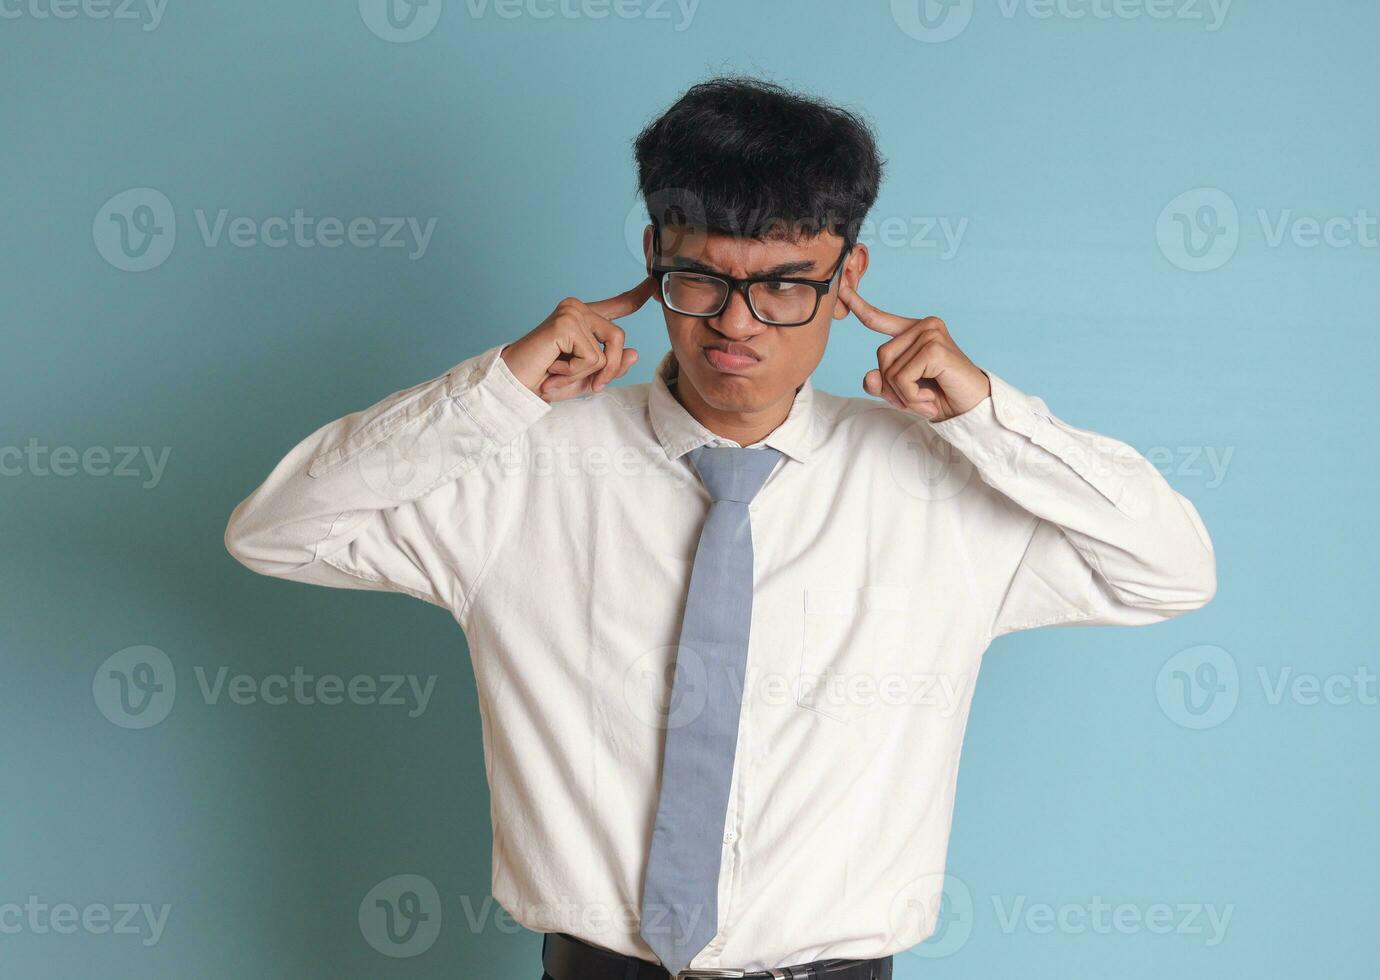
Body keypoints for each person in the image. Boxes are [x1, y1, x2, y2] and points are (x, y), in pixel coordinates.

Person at [225, 76, 1216, 980]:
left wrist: (988, 416)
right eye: (702, 278)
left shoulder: (939, 488)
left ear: (849, 275)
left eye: (787, 284)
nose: (738, 324)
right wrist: (498, 391)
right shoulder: (514, 466)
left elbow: (1169, 570)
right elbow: (274, 530)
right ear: (655, 259)